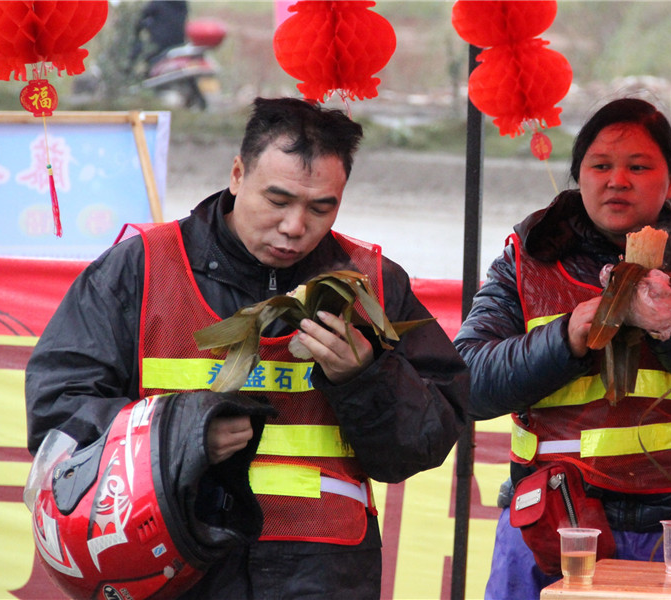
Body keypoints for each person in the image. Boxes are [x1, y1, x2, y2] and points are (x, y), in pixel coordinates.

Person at [25, 97, 470, 599]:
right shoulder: (141, 270)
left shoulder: (374, 287)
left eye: (322, 207)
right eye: (278, 201)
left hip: (323, 577)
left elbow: (423, 443)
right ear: (237, 174)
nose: (295, 227)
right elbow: (58, 415)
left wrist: (366, 377)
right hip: (178, 567)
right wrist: (180, 444)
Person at [454, 97, 671, 599]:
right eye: (601, 165)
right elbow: (466, 383)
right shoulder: (526, 261)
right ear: (578, 175)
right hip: (556, 525)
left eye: (638, 166)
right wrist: (567, 337)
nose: (618, 180)